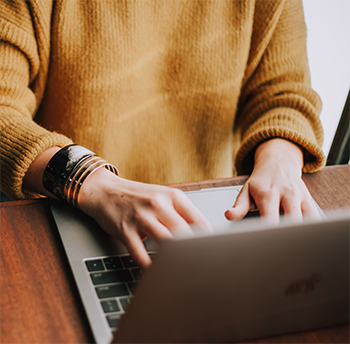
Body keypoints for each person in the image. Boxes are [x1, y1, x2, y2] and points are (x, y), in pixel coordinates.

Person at [0, 0, 325, 269]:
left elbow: (284, 92)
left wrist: (279, 160)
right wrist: (96, 185)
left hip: (214, 217)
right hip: (72, 215)